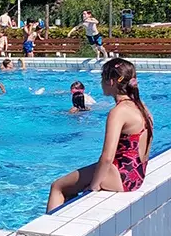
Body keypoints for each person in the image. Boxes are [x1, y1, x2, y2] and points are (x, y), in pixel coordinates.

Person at [48, 58, 153, 211]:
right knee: (71, 188)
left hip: (120, 177)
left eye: (102, 78)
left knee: (57, 187)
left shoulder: (118, 112)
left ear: (111, 82)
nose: (101, 82)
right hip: (136, 176)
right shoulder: (142, 107)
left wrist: (94, 185)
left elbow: (107, 157)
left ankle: (50, 226)